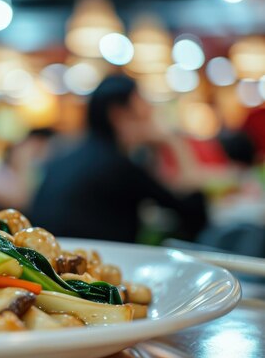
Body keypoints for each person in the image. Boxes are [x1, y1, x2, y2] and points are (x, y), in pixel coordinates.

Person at [30, 75, 207, 243]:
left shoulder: (65, 159)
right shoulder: (118, 168)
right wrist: (173, 142)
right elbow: (192, 212)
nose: (151, 113)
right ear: (118, 114)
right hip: (94, 269)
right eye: (143, 106)